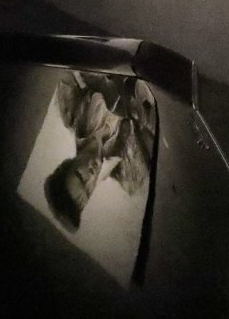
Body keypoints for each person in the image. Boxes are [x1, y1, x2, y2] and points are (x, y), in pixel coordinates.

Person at [42, 72, 157, 233]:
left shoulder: (71, 112)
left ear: (68, 164)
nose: (91, 177)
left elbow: (73, 65)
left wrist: (103, 83)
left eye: (80, 176)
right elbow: (160, 130)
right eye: (89, 191)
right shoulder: (129, 173)